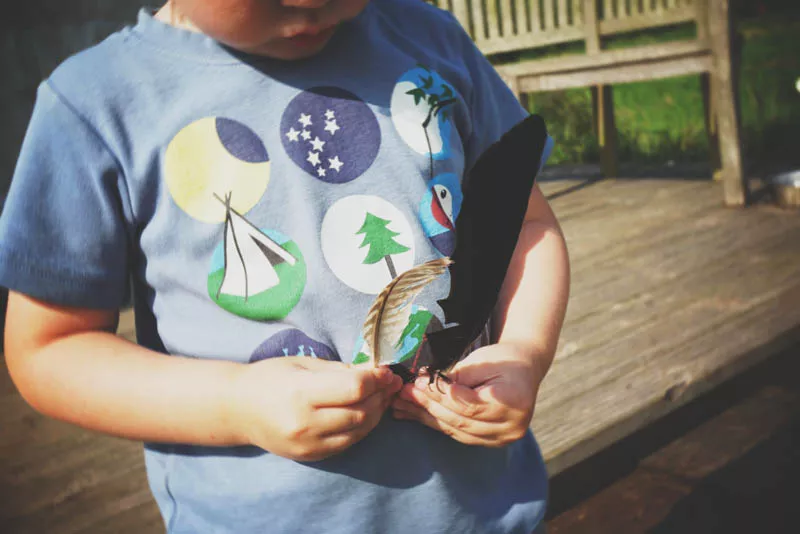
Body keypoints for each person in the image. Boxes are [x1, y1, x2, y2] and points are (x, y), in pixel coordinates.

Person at [0, 0, 569, 532]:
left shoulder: (429, 37)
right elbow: (50, 347)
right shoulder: (96, 102)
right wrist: (235, 403)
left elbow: (524, 223)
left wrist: (525, 351)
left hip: (484, 513)